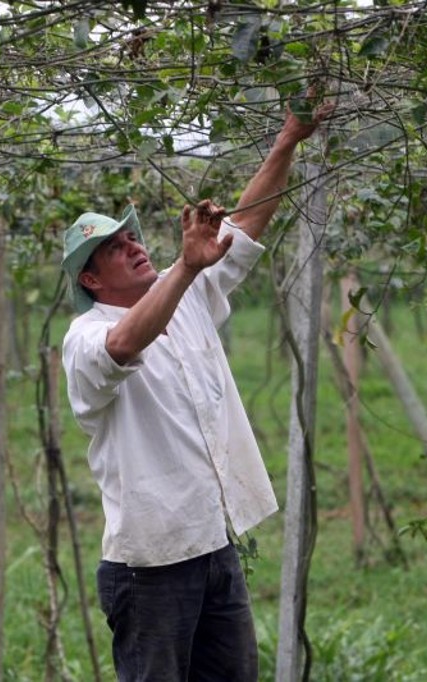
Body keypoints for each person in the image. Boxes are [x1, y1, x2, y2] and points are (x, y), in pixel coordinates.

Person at [60, 103, 330, 681]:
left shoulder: (182, 296)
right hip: (150, 565)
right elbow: (126, 343)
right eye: (115, 248)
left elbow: (243, 229)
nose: (135, 246)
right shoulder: (83, 339)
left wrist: (287, 140)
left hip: (213, 545)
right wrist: (183, 269)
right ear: (90, 278)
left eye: (134, 236)